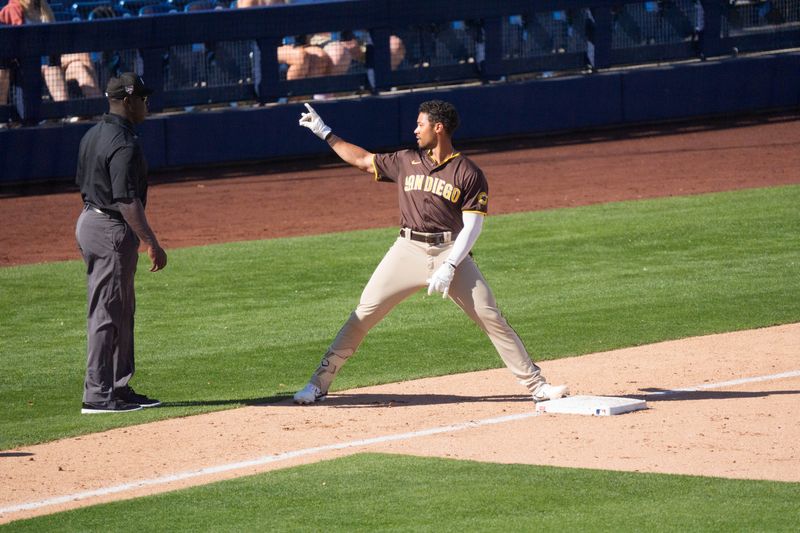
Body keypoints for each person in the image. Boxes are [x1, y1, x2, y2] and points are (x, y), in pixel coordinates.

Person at [294, 100, 569, 405]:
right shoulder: (405, 159)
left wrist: (450, 264)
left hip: (451, 251)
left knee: (490, 316)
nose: (415, 130)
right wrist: (326, 133)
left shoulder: (468, 172)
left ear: (438, 128)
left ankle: (537, 386)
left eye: (420, 124)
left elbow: (472, 227)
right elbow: (362, 159)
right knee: (362, 315)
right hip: (407, 249)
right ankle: (318, 384)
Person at [75, 72, 167, 414]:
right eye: (142, 98)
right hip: (110, 227)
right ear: (127, 102)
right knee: (106, 312)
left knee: (121, 310)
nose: (146, 103)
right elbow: (127, 199)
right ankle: (98, 396)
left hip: (93, 220)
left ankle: (118, 386)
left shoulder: (93, 134)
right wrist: (151, 242)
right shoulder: (124, 143)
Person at [0, 0, 101, 102]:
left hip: (51, 60)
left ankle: (98, 110)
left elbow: (55, 42)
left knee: (79, 67)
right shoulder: (11, 10)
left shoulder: (44, 8)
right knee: (68, 61)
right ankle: (67, 113)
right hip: (28, 65)